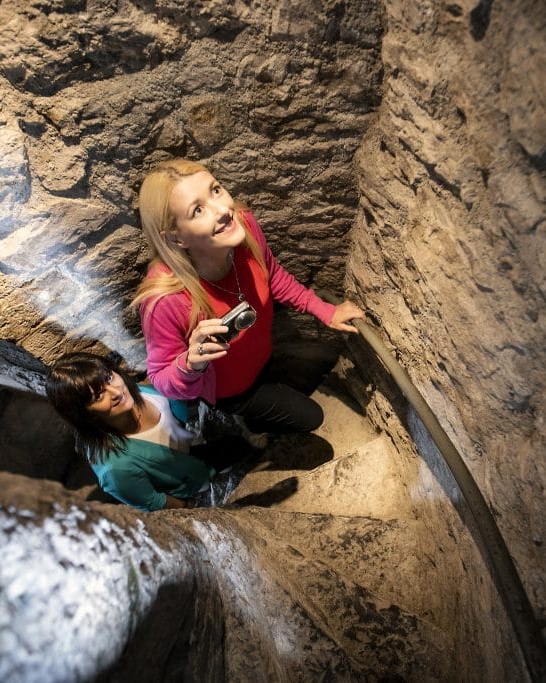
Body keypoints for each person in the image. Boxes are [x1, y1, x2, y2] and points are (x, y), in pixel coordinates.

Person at [132, 158, 365, 436]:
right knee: (311, 417)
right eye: (198, 210)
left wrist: (324, 309)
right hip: (233, 392)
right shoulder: (166, 300)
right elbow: (160, 377)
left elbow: (271, 274)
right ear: (176, 239)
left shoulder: (242, 227)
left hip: (263, 357)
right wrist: (191, 363)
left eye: (215, 190)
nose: (223, 210)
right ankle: (250, 427)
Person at [47, 352, 235, 512]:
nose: (116, 392)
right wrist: (188, 506)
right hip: (191, 482)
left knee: (236, 448)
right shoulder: (116, 468)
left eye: (108, 378)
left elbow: (171, 394)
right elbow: (154, 501)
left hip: (193, 452)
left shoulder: (141, 390)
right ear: (83, 413)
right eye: (98, 395)